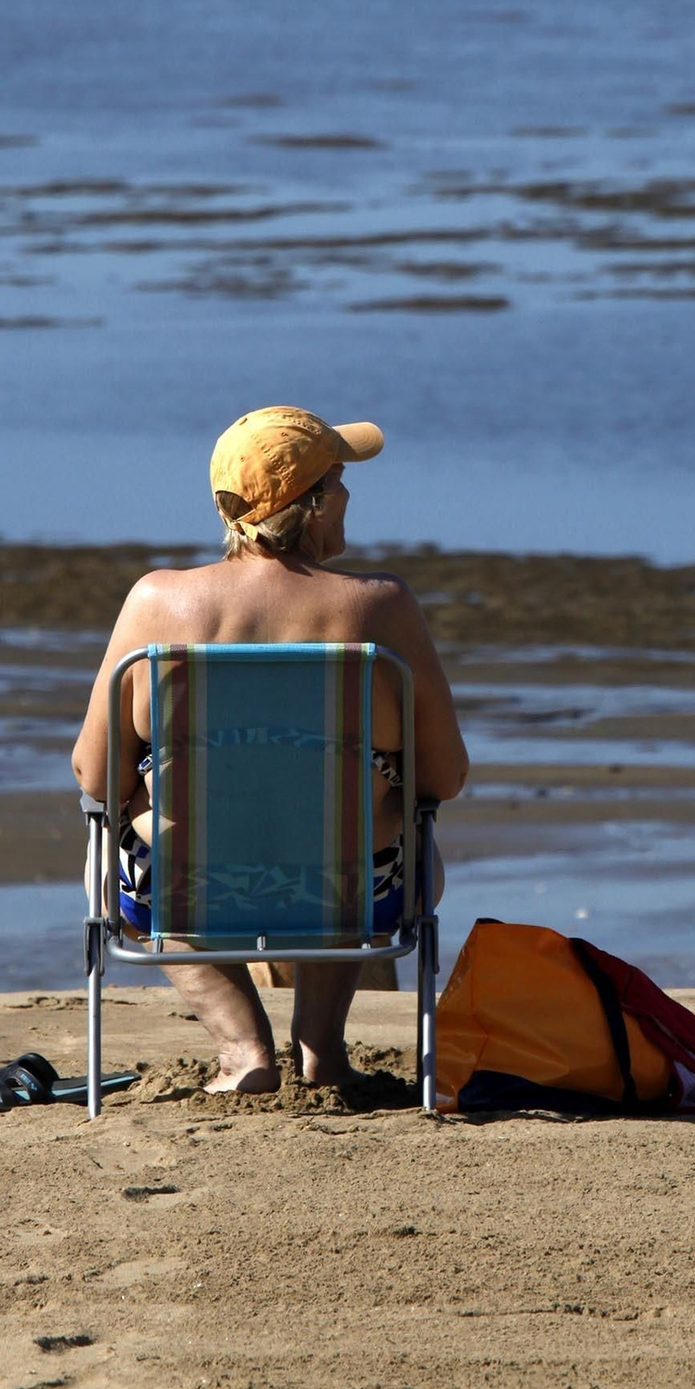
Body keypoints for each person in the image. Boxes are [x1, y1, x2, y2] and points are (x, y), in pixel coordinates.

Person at [71, 406, 469, 1093]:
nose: (347, 496)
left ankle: (242, 1049)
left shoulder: (155, 603)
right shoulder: (380, 608)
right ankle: (322, 1052)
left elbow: (93, 774)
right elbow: (447, 776)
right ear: (312, 503)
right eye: (339, 481)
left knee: (122, 840)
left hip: (184, 892)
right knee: (355, 828)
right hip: (355, 890)